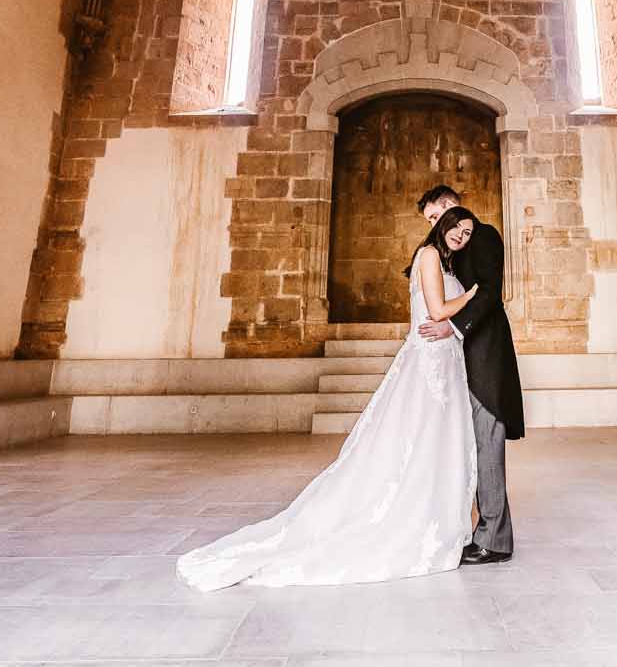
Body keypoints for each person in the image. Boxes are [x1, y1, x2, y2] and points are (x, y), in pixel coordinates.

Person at [174, 206, 486, 590]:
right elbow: (438, 310)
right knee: (417, 442)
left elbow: (442, 317)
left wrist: (456, 319)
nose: (461, 235)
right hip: (429, 366)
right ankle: (409, 518)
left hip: (446, 364)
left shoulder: (449, 264)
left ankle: (436, 517)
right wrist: (473, 294)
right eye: (457, 227)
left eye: (469, 232)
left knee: (439, 445)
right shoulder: (429, 255)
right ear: (441, 225)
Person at [415, 184, 524, 565]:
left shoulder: (485, 235)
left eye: (433, 216)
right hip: (461, 363)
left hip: (487, 360)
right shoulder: (448, 250)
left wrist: (454, 327)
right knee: (475, 449)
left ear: (450, 206)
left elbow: (491, 293)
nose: (433, 225)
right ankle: (481, 531)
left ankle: (494, 540)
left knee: (488, 448)